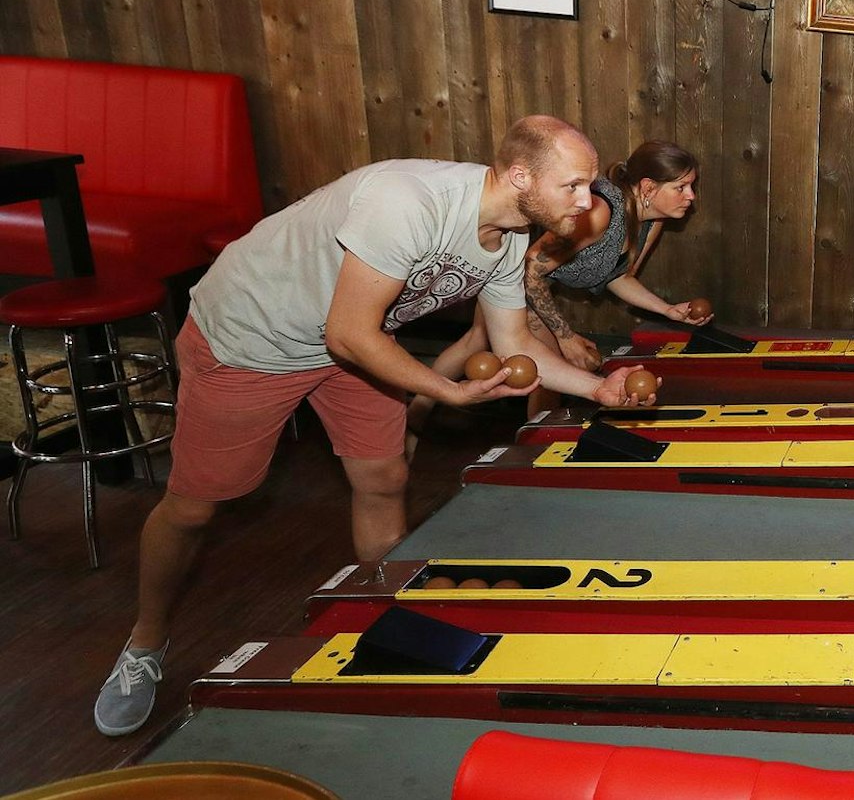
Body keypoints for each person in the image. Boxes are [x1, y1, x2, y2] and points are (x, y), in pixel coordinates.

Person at [92, 116, 647, 737]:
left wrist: (599, 388)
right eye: (573, 185)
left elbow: (514, 341)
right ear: (521, 176)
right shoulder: (408, 202)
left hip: (351, 346)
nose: (586, 201)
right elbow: (348, 333)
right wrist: (447, 390)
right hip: (253, 340)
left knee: (384, 476)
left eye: (590, 185)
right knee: (195, 508)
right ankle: (144, 646)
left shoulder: (512, 237)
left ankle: (393, 626)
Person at [409, 140, 710, 429]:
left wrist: (668, 310)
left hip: (531, 281)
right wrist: (565, 337)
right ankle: (532, 446)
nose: (691, 196)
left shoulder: (652, 221)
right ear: (647, 188)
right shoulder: (600, 212)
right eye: (681, 187)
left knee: (476, 340)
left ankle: (417, 414)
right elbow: (529, 268)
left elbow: (619, 277)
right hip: (517, 277)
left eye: (692, 187)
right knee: (544, 370)